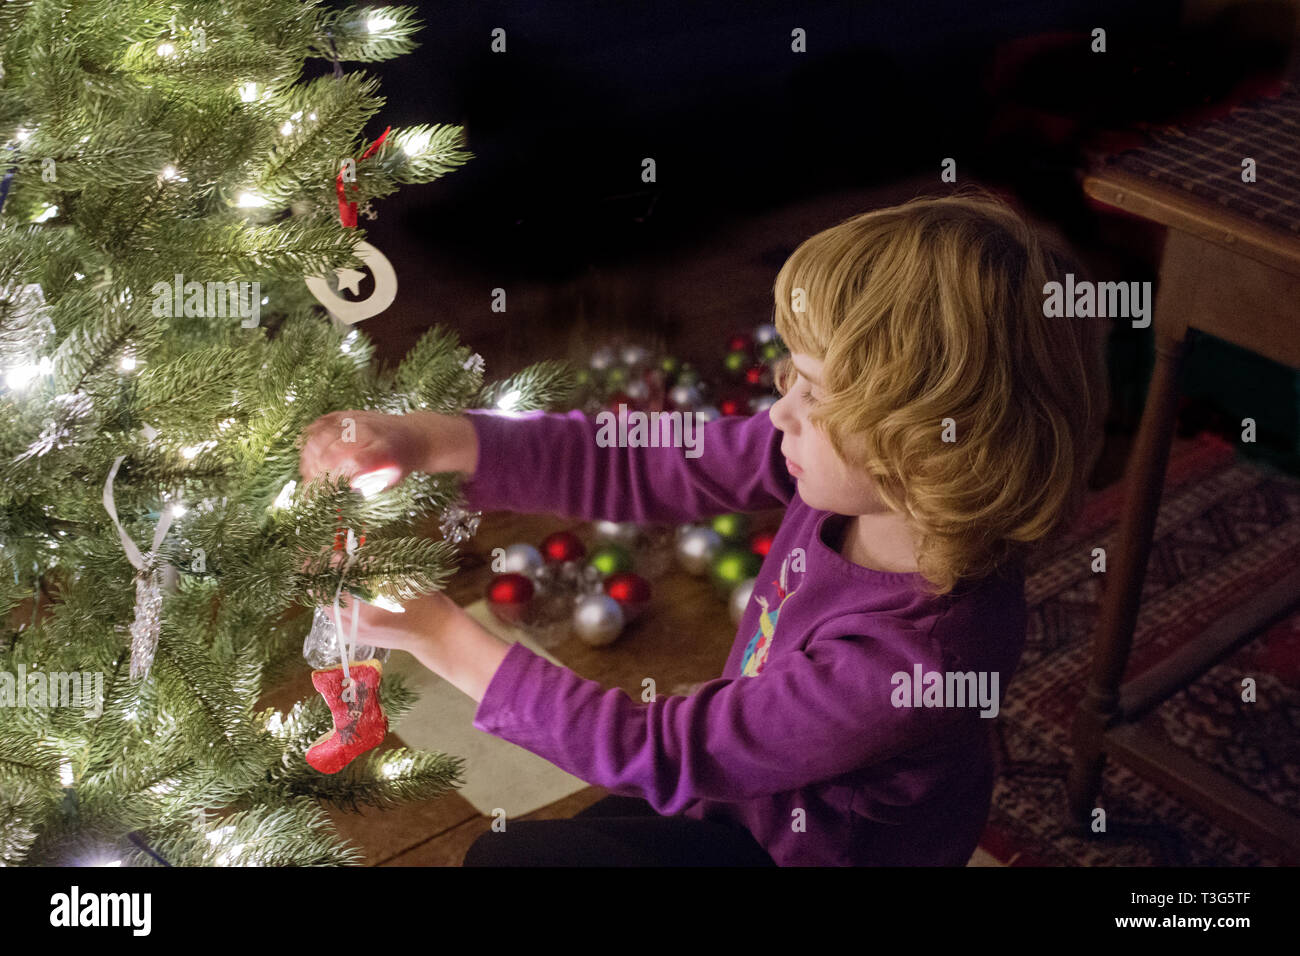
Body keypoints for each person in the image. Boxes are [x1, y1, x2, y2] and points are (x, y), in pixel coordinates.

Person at [297, 186, 1109, 866]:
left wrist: (441, 635)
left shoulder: (920, 655)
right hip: (742, 796)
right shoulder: (854, 480)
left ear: (931, 438)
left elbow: (668, 752)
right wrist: (430, 438)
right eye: (793, 375)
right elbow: (637, 462)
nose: (780, 411)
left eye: (816, 395)